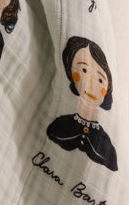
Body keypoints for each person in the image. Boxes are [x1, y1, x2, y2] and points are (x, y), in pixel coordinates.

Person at [46, 36, 118, 171]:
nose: (91, 85)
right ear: (71, 74)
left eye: (100, 80)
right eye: (84, 70)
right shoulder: (57, 127)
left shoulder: (107, 147)